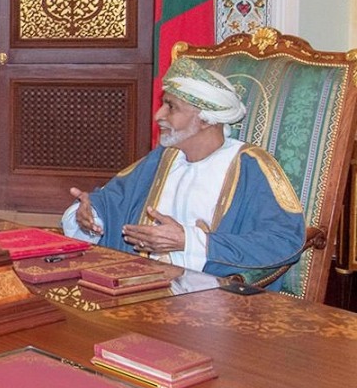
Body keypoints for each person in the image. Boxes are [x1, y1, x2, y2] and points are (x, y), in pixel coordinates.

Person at [61, 57, 304, 285]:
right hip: (142, 285)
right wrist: (91, 216)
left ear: (206, 120)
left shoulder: (249, 166)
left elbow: (284, 240)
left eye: (171, 107)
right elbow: (113, 201)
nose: (159, 115)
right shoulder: (164, 157)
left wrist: (188, 240)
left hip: (210, 296)